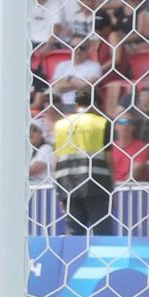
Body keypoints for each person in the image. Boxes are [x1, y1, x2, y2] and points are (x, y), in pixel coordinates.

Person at [52, 89, 114, 235]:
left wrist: (60, 193)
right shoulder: (101, 123)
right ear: (97, 104)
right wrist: (111, 190)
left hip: (68, 186)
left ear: (76, 104)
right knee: (102, 232)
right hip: (96, 185)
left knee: (74, 234)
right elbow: (109, 159)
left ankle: (75, 258)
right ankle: (103, 258)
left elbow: (56, 161)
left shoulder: (61, 125)